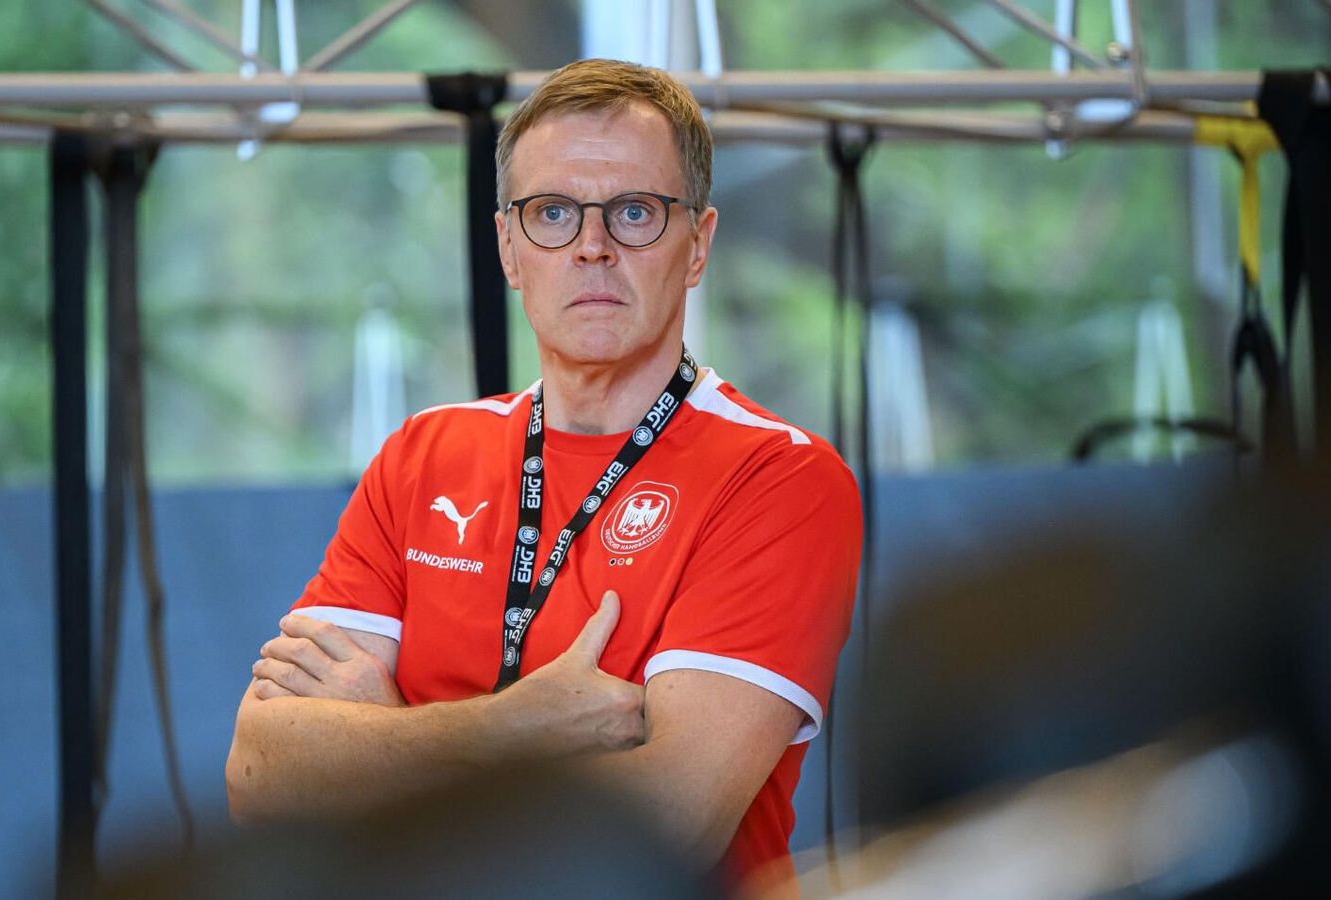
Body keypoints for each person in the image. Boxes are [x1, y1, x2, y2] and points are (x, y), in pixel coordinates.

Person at [225, 58, 863, 889]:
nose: (592, 247)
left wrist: (386, 744)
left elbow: (663, 825)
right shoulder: (424, 455)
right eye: (553, 212)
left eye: (635, 212)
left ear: (698, 244)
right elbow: (260, 775)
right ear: (509, 248)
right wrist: (514, 729)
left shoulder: (779, 478)